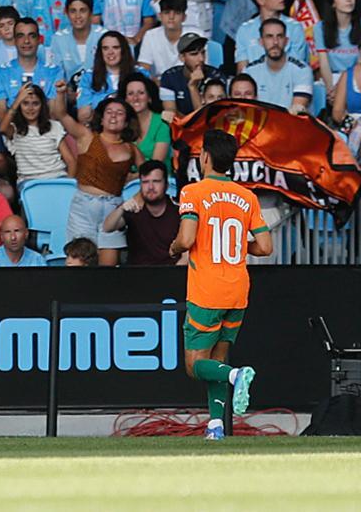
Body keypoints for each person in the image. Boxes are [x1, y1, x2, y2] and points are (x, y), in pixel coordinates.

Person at [170, 129, 271, 440]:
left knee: (194, 365)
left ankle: (236, 375)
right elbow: (266, 247)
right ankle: (216, 426)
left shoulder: (193, 192)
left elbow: (186, 239)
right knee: (217, 358)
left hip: (207, 290)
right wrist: (241, 246)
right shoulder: (247, 197)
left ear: (205, 157)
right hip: (237, 289)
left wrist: (174, 248)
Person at [57, 94, 144, 266]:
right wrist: (61, 93)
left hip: (113, 209)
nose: (113, 115)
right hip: (83, 207)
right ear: (101, 119)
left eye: (119, 113)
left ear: (126, 122)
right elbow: (61, 114)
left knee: (108, 268)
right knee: (79, 261)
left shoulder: (131, 149)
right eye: (109, 112)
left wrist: (138, 199)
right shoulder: (86, 137)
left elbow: (150, 175)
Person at [102, 159, 180, 266]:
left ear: (166, 185)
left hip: (170, 274)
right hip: (137, 275)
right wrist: (121, 209)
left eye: (156, 181)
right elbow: (107, 227)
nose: (150, 187)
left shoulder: (178, 210)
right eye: (145, 182)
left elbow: (187, 255)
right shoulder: (134, 208)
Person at [0, 18, 65, 118]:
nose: (26, 41)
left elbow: (54, 116)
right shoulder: (1, 72)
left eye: (32, 36)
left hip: (46, 131)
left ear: (39, 40)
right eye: (21, 36)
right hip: (12, 131)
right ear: (15, 41)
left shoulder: (55, 72)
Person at [234, 0, 308, 71]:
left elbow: (297, 67)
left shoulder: (294, 27)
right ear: (261, 0)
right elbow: (242, 69)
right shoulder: (245, 30)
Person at [1, 84, 73, 183]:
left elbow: (70, 161)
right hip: (29, 181)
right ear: (19, 105)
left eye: (35, 103)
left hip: (57, 177)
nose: (30, 108)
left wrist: (69, 185)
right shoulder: (15, 129)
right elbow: (2, 128)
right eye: (25, 103)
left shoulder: (55, 126)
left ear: (42, 106)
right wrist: (17, 100)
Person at [243, 19, 313, 113]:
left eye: (279, 36)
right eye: (269, 37)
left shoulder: (302, 70)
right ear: (261, 42)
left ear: (286, 41)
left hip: (290, 124)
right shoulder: (249, 71)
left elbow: (296, 112)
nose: (275, 42)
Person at [75, 30, 140, 121]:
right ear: (100, 52)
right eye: (105, 48)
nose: (110, 52)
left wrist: (98, 103)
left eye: (115, 47)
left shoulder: (139, 74)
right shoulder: (88, 77)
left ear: (124, 50)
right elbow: (83, 116)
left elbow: (145, 107)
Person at [160, 33, 221, 119]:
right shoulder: (169, 77)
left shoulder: (216, 76)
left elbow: (204, 118)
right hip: (180, 128)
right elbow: (171, 113)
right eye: (194, 54)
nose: (201, 59)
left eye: (203, 53)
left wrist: (193, 87)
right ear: (182, 57)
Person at [140, 0, 199, 76]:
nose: (171, 17)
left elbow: (200, 68)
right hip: (158, 84)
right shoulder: (150, 36)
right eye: (167, 13)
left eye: (177, 13)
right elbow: (143, 69)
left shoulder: (196, 35)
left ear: (184, 17)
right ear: (160, 16)